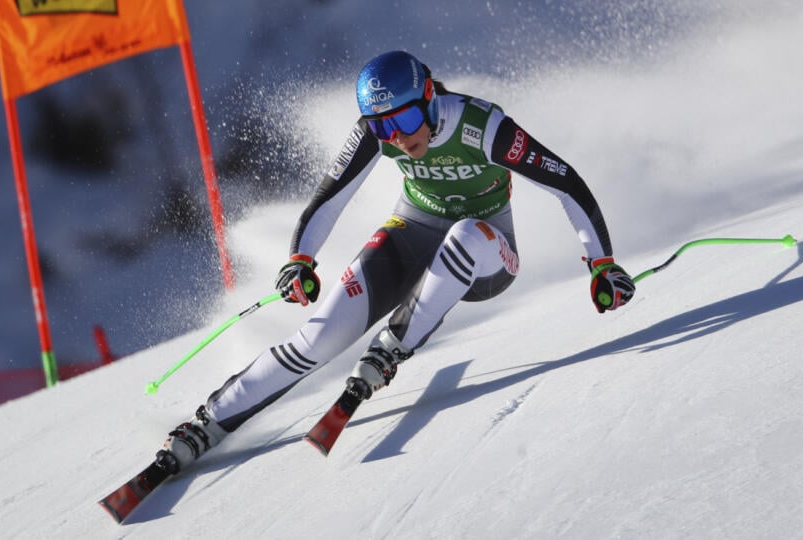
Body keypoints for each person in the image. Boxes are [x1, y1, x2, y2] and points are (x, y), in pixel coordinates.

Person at [154, 50, 635, 474]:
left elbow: (564, 181)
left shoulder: (481, 126)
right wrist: (300, 258)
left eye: (405, 121)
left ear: (428, 98)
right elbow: (329, 198)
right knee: (320, 335)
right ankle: (209, 421)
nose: (398, 138)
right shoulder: (377, 132)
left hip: (490, 254)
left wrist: (601, 263)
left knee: (466, 233)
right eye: (384, 127)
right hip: (413, 234)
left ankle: (393, 344)